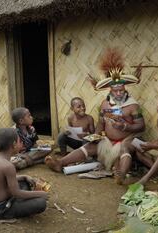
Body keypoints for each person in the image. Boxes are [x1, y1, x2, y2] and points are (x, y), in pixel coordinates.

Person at [45, 48, 145, 185]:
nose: (119, 93)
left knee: (124, 148)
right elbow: (101, 123)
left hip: (127, 139)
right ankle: (60, 163)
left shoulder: (133, 106)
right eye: (115, 91)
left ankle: (121, 174)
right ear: (111, 90)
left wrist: (125, 126)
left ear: (125, 89)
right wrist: (96, 136)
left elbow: (141, 126)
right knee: (90, 146)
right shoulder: (105, 104)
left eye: (121, 90)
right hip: (109, 140)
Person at [0, 128, 48, 219]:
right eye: (19, 141)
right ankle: (17, 207)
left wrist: (24, 176)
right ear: (14, 144)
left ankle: (22, 201)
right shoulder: (8, 166)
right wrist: (40, 194)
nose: (21, 144)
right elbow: (17, 193)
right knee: (41, 203)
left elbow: (2, 180)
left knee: (25, 182)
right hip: (0, 209)